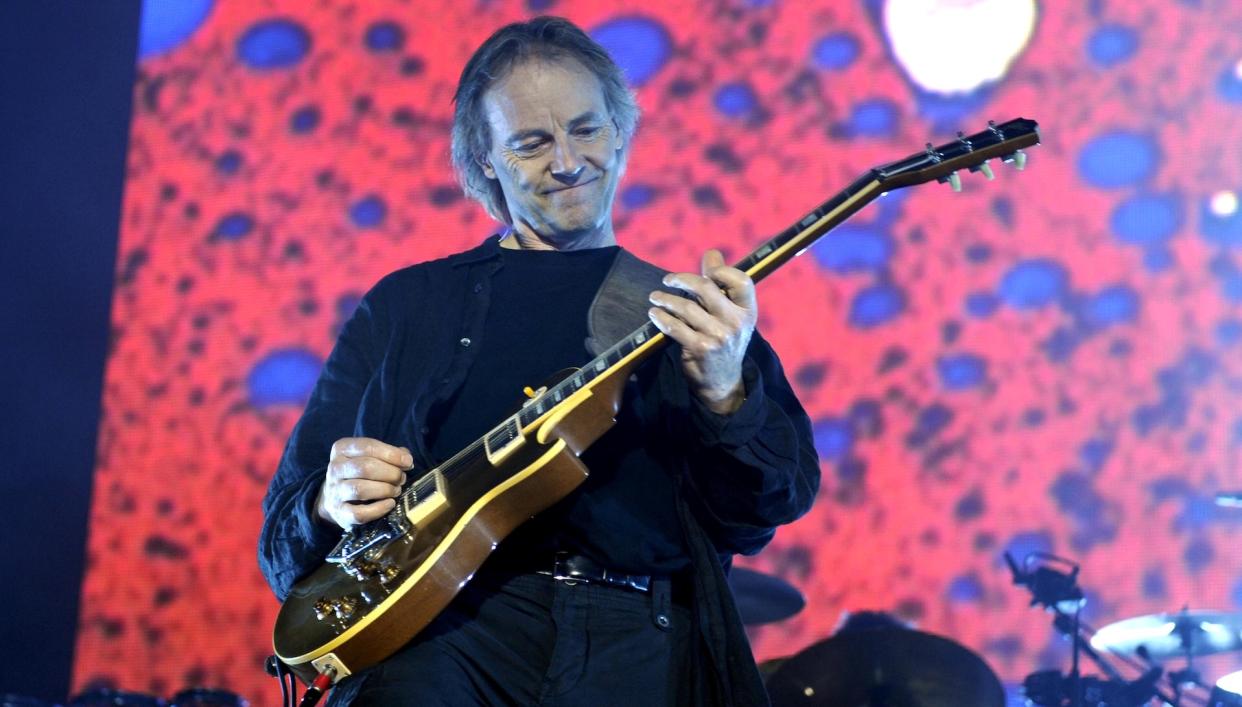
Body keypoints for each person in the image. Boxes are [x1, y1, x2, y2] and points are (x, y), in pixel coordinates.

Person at [258, 16, 819, 706]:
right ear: (486, 159)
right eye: (531, 142)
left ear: (619, 130)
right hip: (448, 634)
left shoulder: (687, 317)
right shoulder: (409, 305)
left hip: (637, 641)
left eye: (587, 129)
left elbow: (765, 509)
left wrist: (727, 392)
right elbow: (282, 543)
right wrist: (327, 500)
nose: (567, 161)